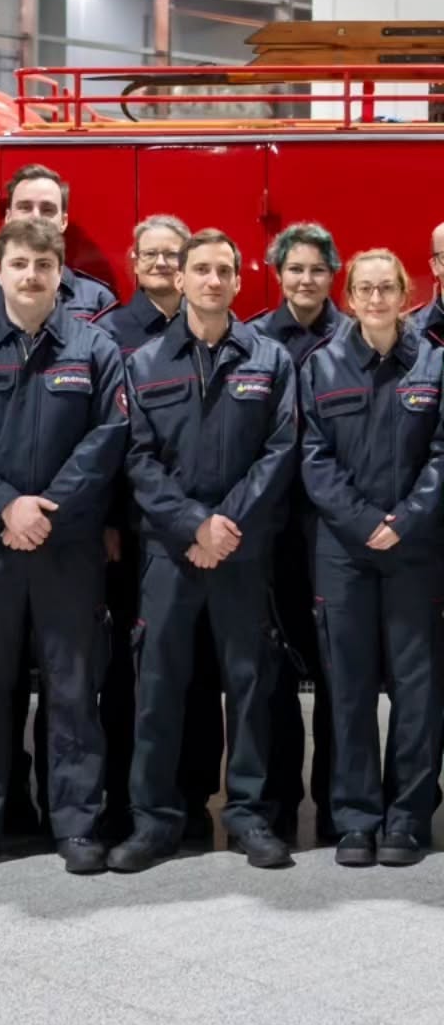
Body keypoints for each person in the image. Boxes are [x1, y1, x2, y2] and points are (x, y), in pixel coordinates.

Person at [0, 218, 127, 875]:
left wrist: (49, 510)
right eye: (20, 263)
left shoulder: (95, 348)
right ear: (0, 271)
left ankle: (75, 824)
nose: (33, 275)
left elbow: (107, 437)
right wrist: (4, 505)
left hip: (66, 550)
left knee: (73, 691)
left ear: (59, 271)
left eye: (44, 264)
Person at [109, 229, 297, 874]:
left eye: (225, 270)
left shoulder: (271, 361)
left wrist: (227, 524)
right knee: (158, 685)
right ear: (180, 280)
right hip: (169, 551)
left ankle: (248, 816)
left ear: (241, 282)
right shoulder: (144, 362)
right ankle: (155, 820)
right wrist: (194, 525)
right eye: (201, 270)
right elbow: (134, 456)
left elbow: (281, 450)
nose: (213, 281)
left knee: (250, 685)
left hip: (242, 552)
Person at [301, 249, 444, 867]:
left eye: (388, 288)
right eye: (366, 289)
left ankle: (408, 819)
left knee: (418, 690)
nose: (378, 298)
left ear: (405, 294)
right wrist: (364, 523)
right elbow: (312, 456)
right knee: (349, 688)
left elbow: (443, 455)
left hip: (417, 550)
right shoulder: (321, 366)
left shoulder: (436, 364)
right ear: (350, 297)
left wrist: (406, 520)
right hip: (344, 550)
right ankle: (355, 818)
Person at [94, 215, 223, 842]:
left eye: (176, 254)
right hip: (139, 535)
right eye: (153, 254)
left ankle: (196, 795)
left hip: (216, 537)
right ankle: (129, 797)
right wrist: (112, 523)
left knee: (201, 672)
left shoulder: (221, 333)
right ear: (134, 259)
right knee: (135, 672)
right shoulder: (113, 335)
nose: (164, 264)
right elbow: (114, 443)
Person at [253, 221, 344, 843]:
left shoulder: (356, 335)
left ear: (331, 275)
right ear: (278, 274)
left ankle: (340, 808)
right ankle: (279, 806)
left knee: (343, 672)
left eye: (315, 269)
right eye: (295, 270)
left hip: (337, 532)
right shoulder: (256, 341)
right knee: (275, 673)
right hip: (275, 532)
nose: (305, 279)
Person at [0, 164, 115, 326]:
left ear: (63, 222)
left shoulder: (98, 299)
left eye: (47, 210)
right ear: (8, 217)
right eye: (25, 207)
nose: (36, 217)